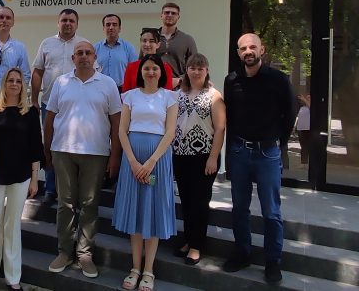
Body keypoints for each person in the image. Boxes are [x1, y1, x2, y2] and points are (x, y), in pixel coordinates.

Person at [221, 33, 296, 284]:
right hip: (240, 152)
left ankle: (273, 261)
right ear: (238, 53)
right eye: (243, 48)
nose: (248, 51)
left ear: (261, 50)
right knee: (239, 207)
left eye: (252, 47)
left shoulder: (278, 79)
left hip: (267, 154)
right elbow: (229, 116)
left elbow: (290, 114)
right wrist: (232, 149)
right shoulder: (232, 80)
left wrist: (278, 143)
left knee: (271, 211)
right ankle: (242, 253)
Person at [44, 41, 121, 279]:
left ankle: (85, 254)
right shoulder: (61, 82)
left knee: (89, 204)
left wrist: (115, 156)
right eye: (79, 53)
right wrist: (47, 151)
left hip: (96, 153)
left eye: (88, 53)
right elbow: (50, 118)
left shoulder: (107, 84)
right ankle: (64, 252)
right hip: (63, 151)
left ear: (95, 57)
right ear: (73, 58)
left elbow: (116, 122)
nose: (84, 56)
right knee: (65, 204)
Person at [112, 54, 179, 291]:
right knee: (136, 210)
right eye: (147, 68)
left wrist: (150, 162)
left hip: (156, 161)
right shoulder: (130, 96)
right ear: (140, 71)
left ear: (161, 72)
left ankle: (148, 270)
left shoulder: (169, 97)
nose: (151, 72)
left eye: (155, 69)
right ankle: (135, 268)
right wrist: (132, 161)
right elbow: (122, 131)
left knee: (152, 210)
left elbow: (170, 133)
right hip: (132, 160)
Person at [0, 67, 44, 290]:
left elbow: (35, 148)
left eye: (18, 81)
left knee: (12, 226)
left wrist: (35, 178)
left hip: (21, 176)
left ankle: (13, 278)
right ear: (4, 84)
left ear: (23, 86)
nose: (15, 84)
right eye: (11, 80)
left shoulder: (30, 113)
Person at [172, 53, 226, 266]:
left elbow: (220, 128)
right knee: (186, 201)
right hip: (181, 155)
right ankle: (188, 240)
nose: (196, 72)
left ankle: (196, 245)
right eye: (192, 68)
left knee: (200, 201)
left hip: (204, 156)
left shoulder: (214, 95)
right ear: (186, 70)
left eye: (200, 68)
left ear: (206, 70)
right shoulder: (178, 94)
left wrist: (213, 158)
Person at [32, 8, 89, 204]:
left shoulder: (82, 45)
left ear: (77, 24)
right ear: (58, 23)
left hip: (76, 107)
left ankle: (71, 190)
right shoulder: (47, 44)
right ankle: (50, 189)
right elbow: (38, 71)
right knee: (49, 144)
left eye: (71, 21)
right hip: (49, 104)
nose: (68, 23)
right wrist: (34, 99)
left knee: (73, 147)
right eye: (64, 20)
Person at [156, 3, 197, 88]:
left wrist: (180, 79)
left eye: (173, 13)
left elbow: (195, 65)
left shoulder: (187, 39)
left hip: (178, 87)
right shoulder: (152, 38)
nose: (170, 15)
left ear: (178, 17)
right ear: (161, 15)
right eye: (167, 12)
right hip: (154, 85)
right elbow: (141, 61)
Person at [122, 28, 174, 93]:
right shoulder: (131, 67)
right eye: (144, 41)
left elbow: (168, 93)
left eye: (151, 41)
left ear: (158, 45)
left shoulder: (165, 67)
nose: (147, 44)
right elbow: (126, 93)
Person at [94, 13, 136, 91]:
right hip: (100, 90)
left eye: (114, 24)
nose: (111, 27)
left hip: (122, 90)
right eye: (108, 25)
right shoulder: (95, 48)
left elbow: (134, 72)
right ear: (103, 28)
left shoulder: (129, 48)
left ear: (119, 28)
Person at [295, 94, 311, 165]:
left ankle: (309, 162)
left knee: (308, 146)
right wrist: (296, 126)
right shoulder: (302, 108)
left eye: (309, 98)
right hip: (300, 129)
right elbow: (299, 118)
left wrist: (304, 99)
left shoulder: (311, 107)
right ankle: (303, 162)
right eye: (307, 97)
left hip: (308, 129)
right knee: (303, 147)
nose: (307, 99)